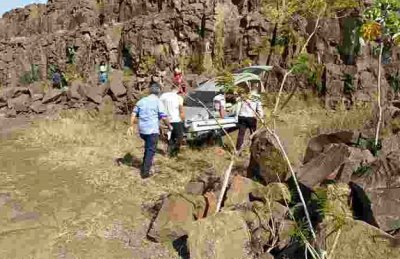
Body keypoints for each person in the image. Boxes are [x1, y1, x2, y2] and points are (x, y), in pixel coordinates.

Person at [129, 82, 172, 179]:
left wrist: (131, 125)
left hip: (142, 131)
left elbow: (134, 113)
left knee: (148, 148)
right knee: (151, 150)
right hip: (152, 130)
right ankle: (145, 173)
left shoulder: (142, 101)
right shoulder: (158, 102)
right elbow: (163, 117)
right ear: (158, 92)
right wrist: (169, 126)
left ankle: (144, 166)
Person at [160, 83, 185, 157]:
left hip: (165, 120)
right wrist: (183, 120)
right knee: (179, 138)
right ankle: (174, 153)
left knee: (171, 137)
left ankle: (168, 152)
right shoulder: (179, 98)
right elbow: (181, 111)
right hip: (176, 120)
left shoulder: (163, 96)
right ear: (179, 88)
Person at [235, 85, 264, 151]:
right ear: (256, 91)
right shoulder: (257, 97)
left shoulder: (245, 96)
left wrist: (236, 116)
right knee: (253, 134)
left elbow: (238, 105)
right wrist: (261, 118)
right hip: (251, 118)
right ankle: (253, 149)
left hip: (242, 117)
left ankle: (237, 149)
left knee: (241, 134)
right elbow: (259, 109)